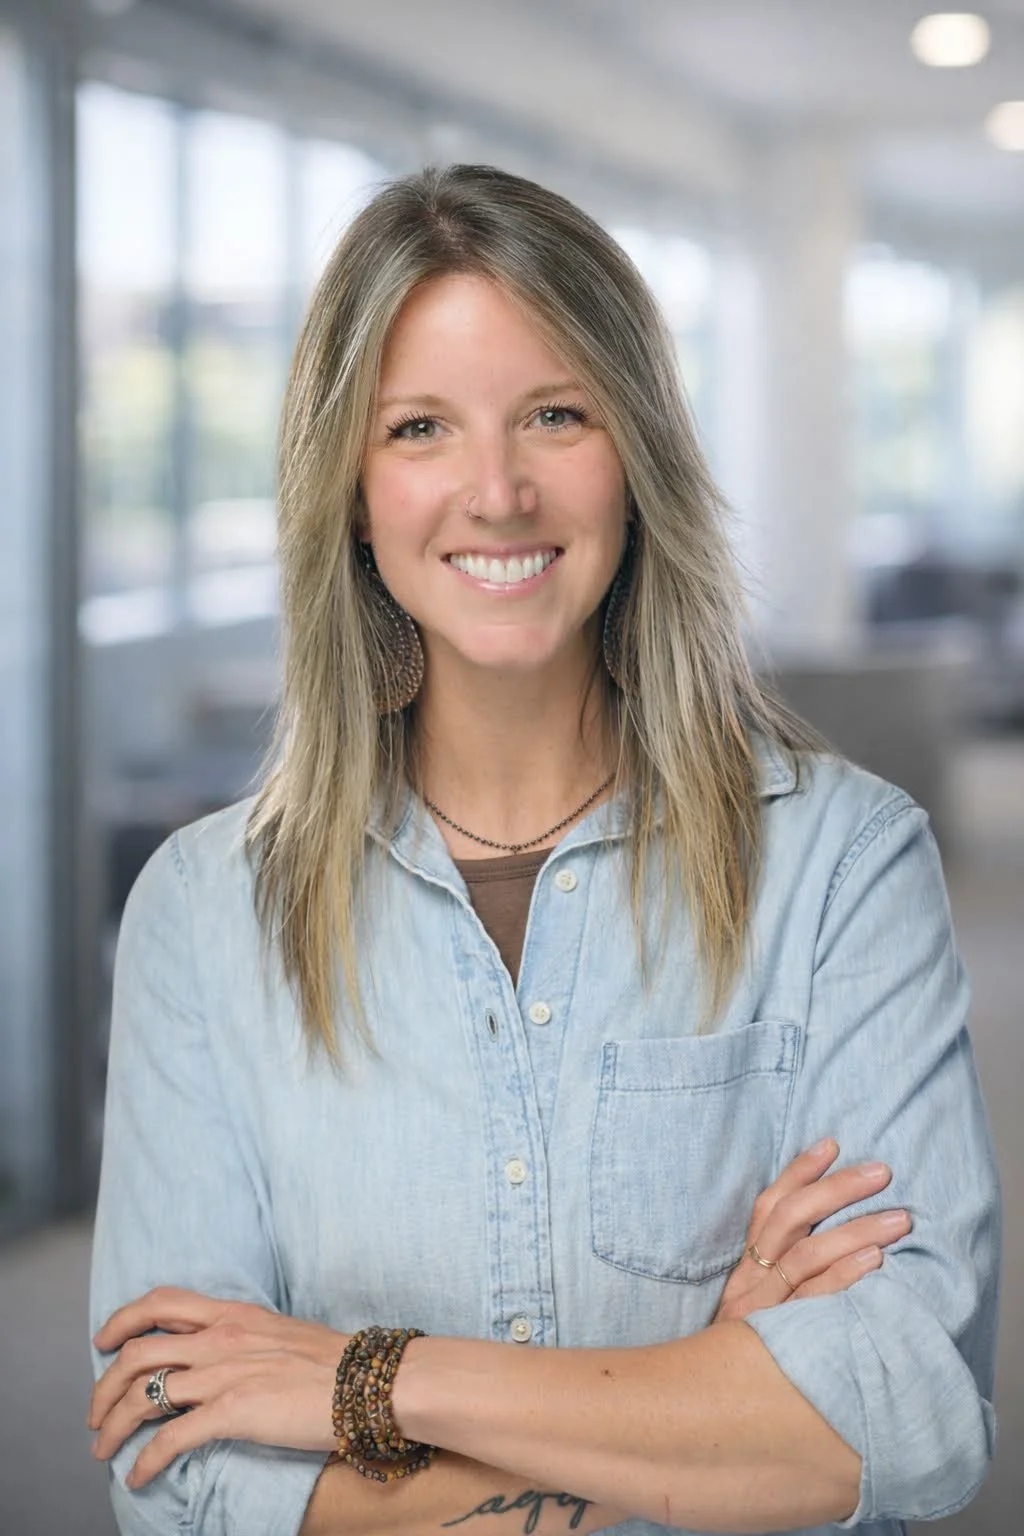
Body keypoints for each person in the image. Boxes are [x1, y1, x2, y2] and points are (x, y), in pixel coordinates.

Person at [88, 164, 1000, 1536]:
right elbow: (182, 1465)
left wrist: (356, 1383)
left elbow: (910, 1421)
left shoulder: (843, 865)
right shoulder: (205, 914)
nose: (497, 490)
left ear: (634, 451)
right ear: (347, 488)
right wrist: (704, 1407)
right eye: (421, 430)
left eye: (556, 415)